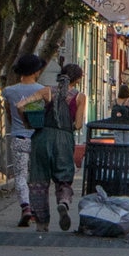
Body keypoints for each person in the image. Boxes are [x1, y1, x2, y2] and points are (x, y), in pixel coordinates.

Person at [22, 65, 82, 232]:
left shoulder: (46, 91)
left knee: (39, 180)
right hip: (64, 138)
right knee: (64, 177)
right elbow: (77, 124)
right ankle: (63, 201)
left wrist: (27, 121)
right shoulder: (79, 97)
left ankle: (42, 223)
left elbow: (21, 105)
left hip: (42, 137)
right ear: (78, 79)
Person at [0, 56, 48, 228]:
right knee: (36, 175)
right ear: (36, 71)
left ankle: (25, 207)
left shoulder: (9, 91)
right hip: (38, 137)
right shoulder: (43, 90)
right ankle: (37, 208)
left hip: (19, 136)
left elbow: (8, 112)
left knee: (20, 175)